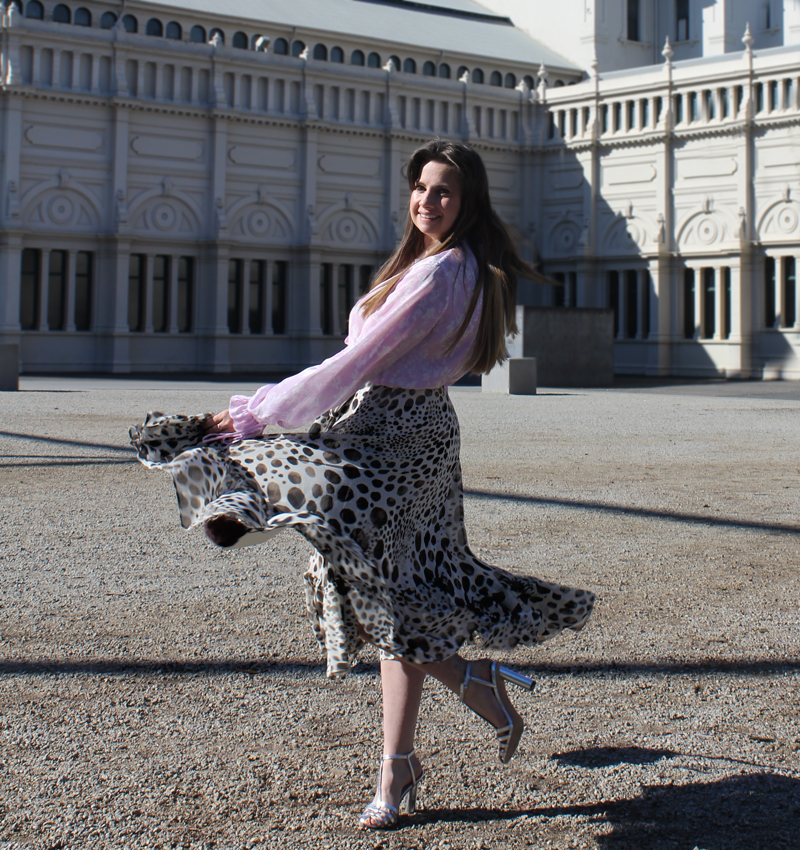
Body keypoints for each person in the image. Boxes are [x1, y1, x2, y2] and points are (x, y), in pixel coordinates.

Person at [131, 139, 595, 830]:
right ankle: (417, 747)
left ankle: (456, 701)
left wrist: (254, 413)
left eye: (444, 191)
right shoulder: (432, 264)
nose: (427, 201)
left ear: (467, 203)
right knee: (395, 589)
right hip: (405, 430)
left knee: (382, 586)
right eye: (421, 187)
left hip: (396, 440)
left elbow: (359, 361)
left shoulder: (441, 275)